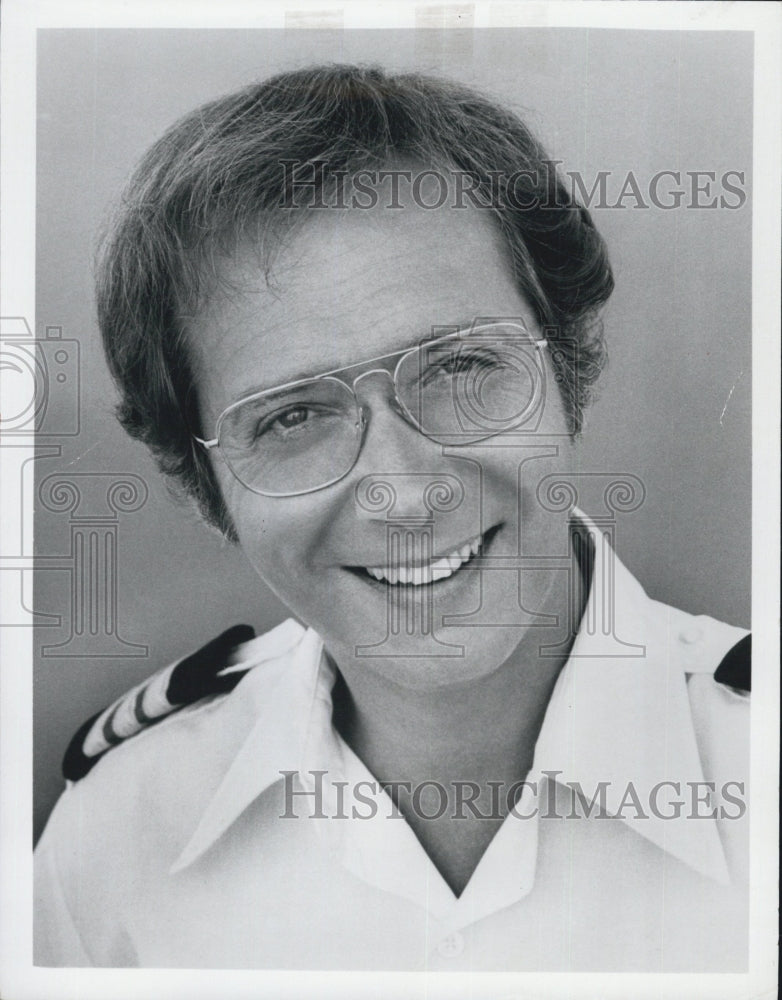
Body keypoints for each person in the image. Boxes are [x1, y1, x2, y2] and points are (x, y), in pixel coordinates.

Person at [34, 64, 750, 971]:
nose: (406, 492)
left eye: (459, 368)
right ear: (205, 485)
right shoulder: (112, 845)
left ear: (565, 372)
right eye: (291, 417)